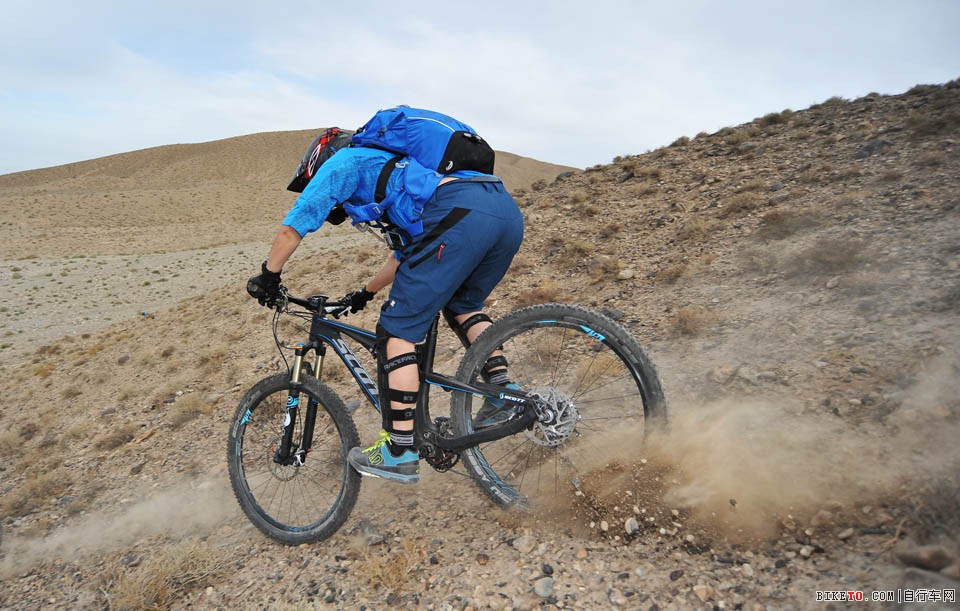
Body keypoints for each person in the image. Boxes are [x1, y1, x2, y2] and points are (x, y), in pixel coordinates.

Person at [247, 120, 524, 484]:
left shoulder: (344, 163)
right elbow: (406, 253)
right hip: (502, 211)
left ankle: (398, 450)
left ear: (319, 160)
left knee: (396, 331)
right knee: (462, 305)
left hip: (461, 215)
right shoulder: (407, 174)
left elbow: (291, 229)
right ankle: (503, 391)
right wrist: (365, 292)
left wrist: (269, 276)